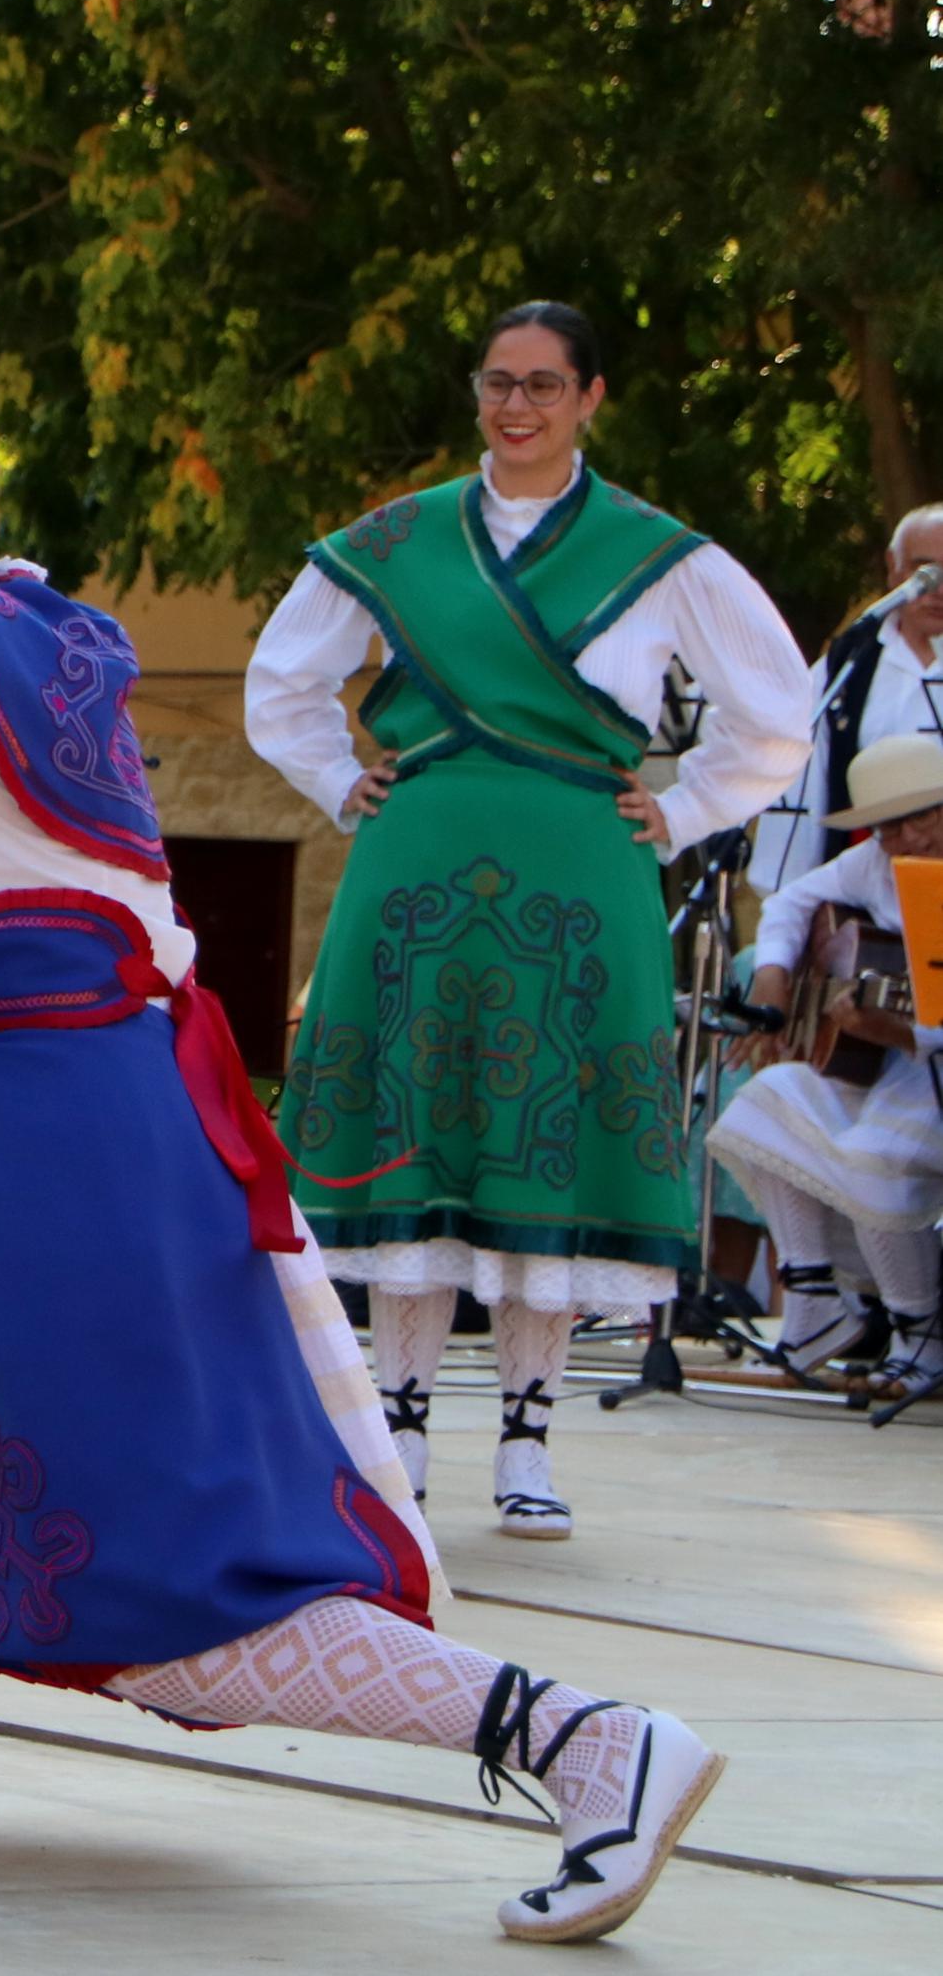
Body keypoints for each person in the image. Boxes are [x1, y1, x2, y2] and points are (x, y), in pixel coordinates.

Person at [0, 362, 722, 1947]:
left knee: (161, 1586)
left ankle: (589, 1744)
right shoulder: (11, 654)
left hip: (56, 1150)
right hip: (29, 1133)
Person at [245, 301, 805, 1538]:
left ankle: (526, 1438)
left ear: (589, 396)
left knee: (545, 1139)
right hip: (417, 860)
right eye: (498, 382)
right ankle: (393, 1418)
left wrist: (687, 806)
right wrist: (340, 780)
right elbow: (278, 681)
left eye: (543, 385)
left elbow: (774, 713)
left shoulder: (657, 554)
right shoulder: (394, 539)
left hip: (580, 866)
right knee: (418, 1125)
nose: (516, 406)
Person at [710, 731, 943, 1411]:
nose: (904, 837)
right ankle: (813, 1302)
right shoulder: (873, 862)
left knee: (875, 1155)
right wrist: (775, 986)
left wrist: (899, 1031)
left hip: (925, 1068)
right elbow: (786, 903)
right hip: (898, 1064)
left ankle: (917, 1340)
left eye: (921, 817)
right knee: (763, 1099)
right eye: (888, 822)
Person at [748, 504, 943, 892]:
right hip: (866, 891)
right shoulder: (850, 662)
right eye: (925, 572)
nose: (938, 590)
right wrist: (790, 901)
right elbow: (807, 777)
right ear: (894, 568)